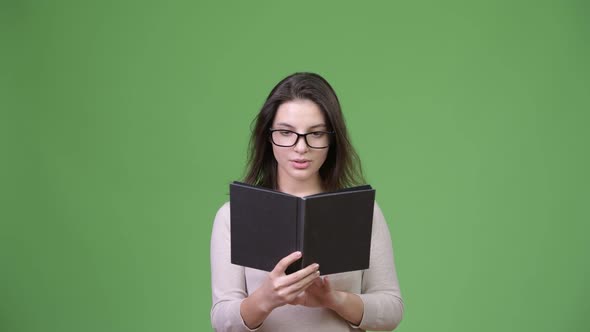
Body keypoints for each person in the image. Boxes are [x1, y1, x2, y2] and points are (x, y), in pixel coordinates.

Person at [210, 72, 403, 331]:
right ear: (268, 136)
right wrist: (266, 298)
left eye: (316, 134)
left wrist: (334, 299)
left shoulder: (361, 212)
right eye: (286, 132)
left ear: (331, 139)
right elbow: (222, 321)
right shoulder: (233, 215)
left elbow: (391, 310)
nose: (301, 147)